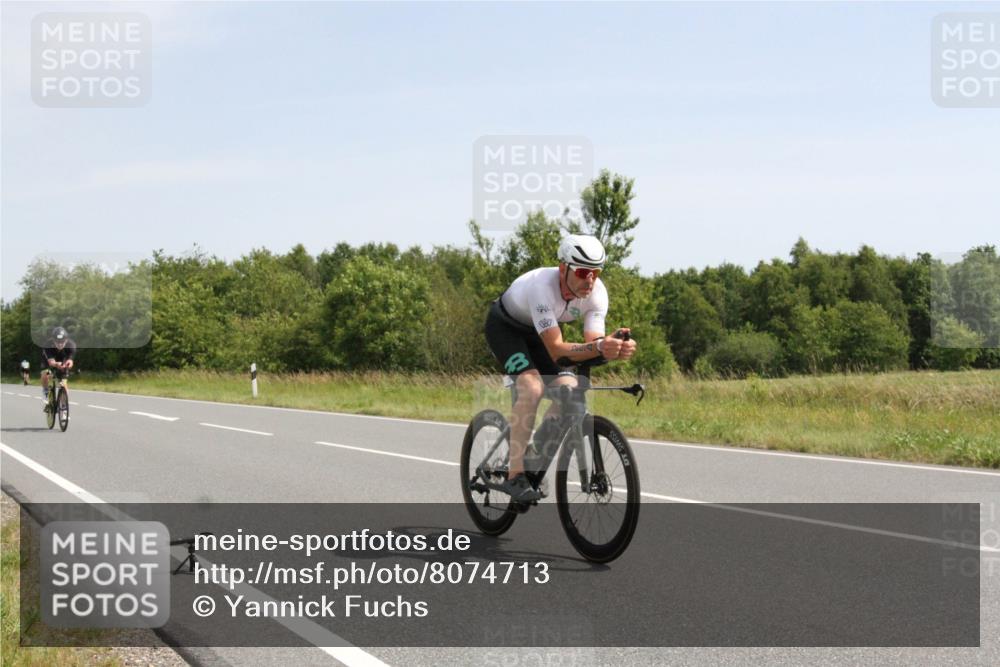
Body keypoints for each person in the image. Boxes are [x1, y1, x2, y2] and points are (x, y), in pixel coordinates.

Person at [484, 234, 637, 502]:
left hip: (542, 333)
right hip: (507, 329)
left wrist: (612, 347)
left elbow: (592, 345)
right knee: (531, 387)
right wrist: (600, 348)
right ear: (564, 268)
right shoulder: (542, 287)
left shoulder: (597, 293)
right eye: (582, 272)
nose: (590, 280)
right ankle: (515, 475)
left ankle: (535, 453)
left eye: (596, 273)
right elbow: (556, 349)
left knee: (569, 391)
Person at [41, 326, 76, 411]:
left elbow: (71, 361)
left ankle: (64, 407)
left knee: (63, 383)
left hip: (63, 361)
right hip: (50, 361)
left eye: (62, 342)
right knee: (45, 373)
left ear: (66, 340)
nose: (60, 344)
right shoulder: (48, 345)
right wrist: (56, 364)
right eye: (58, 342)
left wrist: (68, 364)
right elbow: (51, 362)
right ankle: (46, 393)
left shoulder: (71, 345)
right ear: (53, 340)